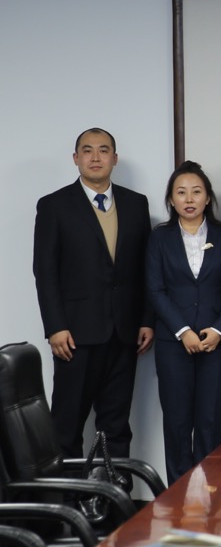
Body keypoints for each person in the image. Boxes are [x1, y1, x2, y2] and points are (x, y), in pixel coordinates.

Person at [33, 128, 153, 458]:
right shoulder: (54, 205)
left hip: (125, 332)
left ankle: (114, 490)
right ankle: (66, 493)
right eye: (87, 150)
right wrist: (55, 327)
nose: (95, 157)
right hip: (74, 335)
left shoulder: (136, 203)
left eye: (103, 150)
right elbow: (45, 272)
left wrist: (146, 319)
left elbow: (145, 268)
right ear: (76, 158)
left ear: (115, 158)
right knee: (66, 426)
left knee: (116, 425)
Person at [145, 161, 221, 484]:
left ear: (208, 197)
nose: (189, 198)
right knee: (177, 423)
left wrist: (220, 330)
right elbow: (155, 289)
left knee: (210, 421)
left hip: (215, 343)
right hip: (173, 344)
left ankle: (209, 495)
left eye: (196, 191)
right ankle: (179, 497)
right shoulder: (159, 238)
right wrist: (182, 331)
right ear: (171, 199)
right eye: (181, 192)